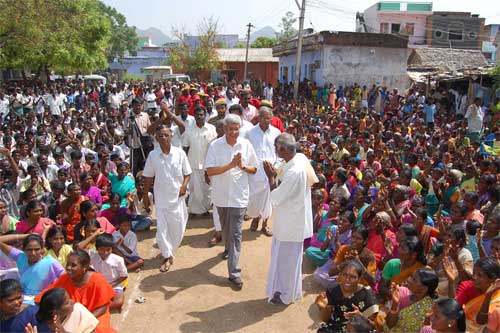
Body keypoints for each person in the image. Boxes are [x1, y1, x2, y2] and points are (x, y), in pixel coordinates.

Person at [205, 114, 258, 289]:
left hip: (239, 197)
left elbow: (254, 168)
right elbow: (210, 171)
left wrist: (242, 166)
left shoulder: (246, 144)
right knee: (226, 230)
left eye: (236, 129)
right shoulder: (215, 145)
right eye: (230, 129)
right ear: (224, 129)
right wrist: (230, 165)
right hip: (221, 197)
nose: (233, 132)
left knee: (235, 233)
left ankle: (234, 272)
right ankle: (228, 248)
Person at [262, 133, 309, 305]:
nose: (275, 151)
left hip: (291, 224)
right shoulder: (293, 160)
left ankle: (287, 295)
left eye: (276, 148)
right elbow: (281, 177)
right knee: (282, 259)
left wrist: (270, 177)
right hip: (286, 221)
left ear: (282, 149)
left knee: (288, 263)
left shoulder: (296, 171)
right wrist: (276, 175)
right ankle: (282, 290)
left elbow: (276, 197)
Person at [142, 125, 191, 272]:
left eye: (166, 135)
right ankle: (167, 255)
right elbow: (148, 178)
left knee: (178, 228)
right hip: (161, 198)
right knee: (162, 230)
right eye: (160, 136)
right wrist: (145, 197)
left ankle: (170, 249)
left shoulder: (180, 153)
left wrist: (184, 186)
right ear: (156, 138)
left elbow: (187, 173)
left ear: (171, 136)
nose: (163, 138)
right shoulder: (153, 155)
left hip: (177, 197)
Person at [35, 249, 116, 333]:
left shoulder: (98, 280)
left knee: (98, 330)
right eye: (68, 264)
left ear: (84, 267)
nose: (68, 268)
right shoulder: (64, 278)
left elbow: (103, 307)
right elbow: (46, 296)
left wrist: (85, 319)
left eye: (73, 265)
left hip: (95, 315)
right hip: (71, 315)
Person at [315, 260, 379, 333]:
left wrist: (360, 316)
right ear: (340, 275)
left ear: (359, 278)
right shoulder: (333, 289)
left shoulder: (367, 293)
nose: (347, 279)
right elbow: (326, 320)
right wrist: (324, 308)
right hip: (337, 326)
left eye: (353, 277)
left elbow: (373, 325)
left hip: (359, 329)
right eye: (344, 275)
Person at [0, 233, 64, 304]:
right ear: (23, 249)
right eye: (29, 250)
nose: (33, 253)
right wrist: (25, 235)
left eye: (37, 249)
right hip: (22, 300)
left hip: (42, 301)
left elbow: (66, 279)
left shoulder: (51, 263)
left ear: (42, 249)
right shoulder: (20, 257)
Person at [246, 106, 281, 237]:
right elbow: (247, 152)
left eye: (268, 118)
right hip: (256, 171)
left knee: (269, 200)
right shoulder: (250, 133)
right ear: (258, 118)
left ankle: (265, 224)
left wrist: (276, 167)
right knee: (254, 198)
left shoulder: (276, 132)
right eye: (263, 117)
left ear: (271, 118)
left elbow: (279, 152)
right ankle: (256, 217)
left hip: (271, 171)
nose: (266, 120)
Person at [182, 106, 217, 216]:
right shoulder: (189, 130)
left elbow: (215, 147)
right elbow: (185, 148)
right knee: (194, 190)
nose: (199, 117)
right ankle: (193, 210)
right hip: (193, 164)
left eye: (201, 114)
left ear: (205, 116)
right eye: (197, 115)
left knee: (207, 190)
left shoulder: (211, 129)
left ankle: (205, 209)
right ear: (194, 116)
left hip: (208, 165)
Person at [385, 268, 439, 332]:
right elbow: (389, 325)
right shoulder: (401, 292)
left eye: (414, 279)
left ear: (424, 288)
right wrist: (395, 304)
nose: (408, 280)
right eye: (411, 276)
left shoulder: (431, 309)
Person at [378, 236, 427, 301]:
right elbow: (381, 287)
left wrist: (403, 296)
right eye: (399, 246)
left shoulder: (423, 271)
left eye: (403, 249)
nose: (398, 250)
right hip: (390, 301)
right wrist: (395, 293)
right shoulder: (392, 264)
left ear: (414, 254)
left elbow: (427, 296)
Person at [88, 233, 128, 312]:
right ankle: (105, 305)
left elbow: (124, 276)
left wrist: (110, 285)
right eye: (102, 249)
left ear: (112, 249)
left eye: (108, 249)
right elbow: (79, 248)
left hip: (115, 285)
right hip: (99, 285)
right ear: (97, 248)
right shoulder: (93, 257)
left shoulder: (118, 260)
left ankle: (102, 306)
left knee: (118, 302)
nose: (105, 252)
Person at [463, 257, 500, 333]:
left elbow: (481, 321)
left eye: (480, 275)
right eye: (474, 273)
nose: (474, 277)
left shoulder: (497, 300)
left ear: (493, 279)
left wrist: (488, 296)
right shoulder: (472, 288)